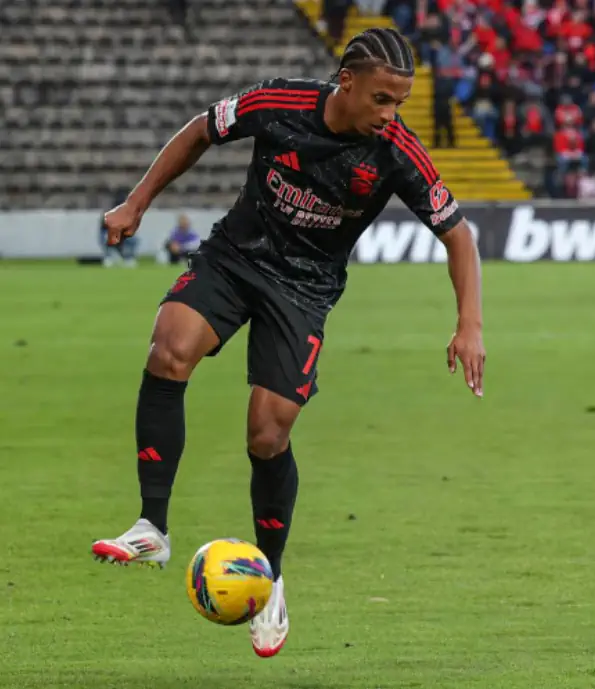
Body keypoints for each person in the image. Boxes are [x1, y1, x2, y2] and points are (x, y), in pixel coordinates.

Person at [89, 28, 485, 659]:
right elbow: (199, 128)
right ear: (346, 83)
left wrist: (470, 324)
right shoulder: (278, 104)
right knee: (169, 347)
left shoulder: (396, 152)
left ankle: (269, 579)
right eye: (383, 100)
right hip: (233, 258)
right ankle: (152, 526)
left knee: (267, 435)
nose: (392, 116)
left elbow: (458, 234)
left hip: (302, 292)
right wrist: (138, 202)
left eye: (401, 104)